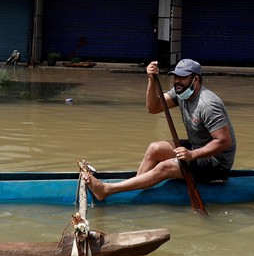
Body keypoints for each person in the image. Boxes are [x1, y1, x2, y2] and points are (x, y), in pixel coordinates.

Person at [83, 59, 235, 200]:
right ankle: (134, 191)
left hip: (217, 163)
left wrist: (191, 154)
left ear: (195, 80)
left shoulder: (208, 105)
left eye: (182, 77)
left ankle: (107, 189)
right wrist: (151, 80)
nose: (177, 81)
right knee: (155, 148)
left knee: (165, 166)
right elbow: (153, 107)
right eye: (175, 77)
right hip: (197, 148)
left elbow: (224, 141)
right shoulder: (181, 93)